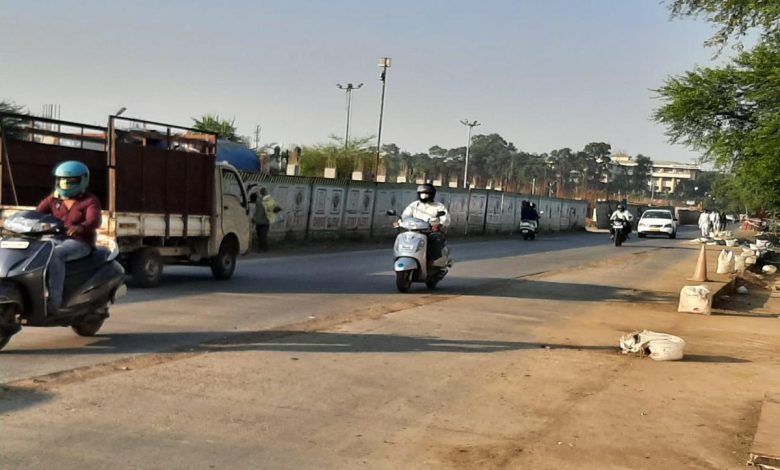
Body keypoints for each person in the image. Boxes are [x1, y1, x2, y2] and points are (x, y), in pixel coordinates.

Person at [36, 161, 102, 314]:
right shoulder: (54, 199)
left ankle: (55, 302)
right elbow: (37, 213)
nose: (65, 184)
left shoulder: (89, 200)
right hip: (56, 238)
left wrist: (81, 227)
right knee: (34, 251)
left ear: (83, 180)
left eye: (71, 181)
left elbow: (94, 220)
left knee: (55, 255)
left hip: (79, 242)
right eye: (61, 180)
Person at [401, 183, 450, 264]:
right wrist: (400, 222)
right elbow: (405, 216)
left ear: (431, 194)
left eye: (426, 193)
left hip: (430, 231)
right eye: (421, 193)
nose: (423, 195)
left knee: (437, 238)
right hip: (414, 231)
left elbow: (446, 218)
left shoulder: (438, 206)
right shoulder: (414, 205)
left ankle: (434, 260)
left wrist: (439, 224)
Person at [250, 187, 281, 252]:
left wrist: (276, 209)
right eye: (262, 191)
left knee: (262, 237)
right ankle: (264, 248)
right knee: (260, 236)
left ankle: (262, 249)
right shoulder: (259, 200)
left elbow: (275, 208)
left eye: (264, 191)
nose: (263, 192)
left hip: (264, 222)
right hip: (259, 221)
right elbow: (256, 208)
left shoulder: (267, 201)